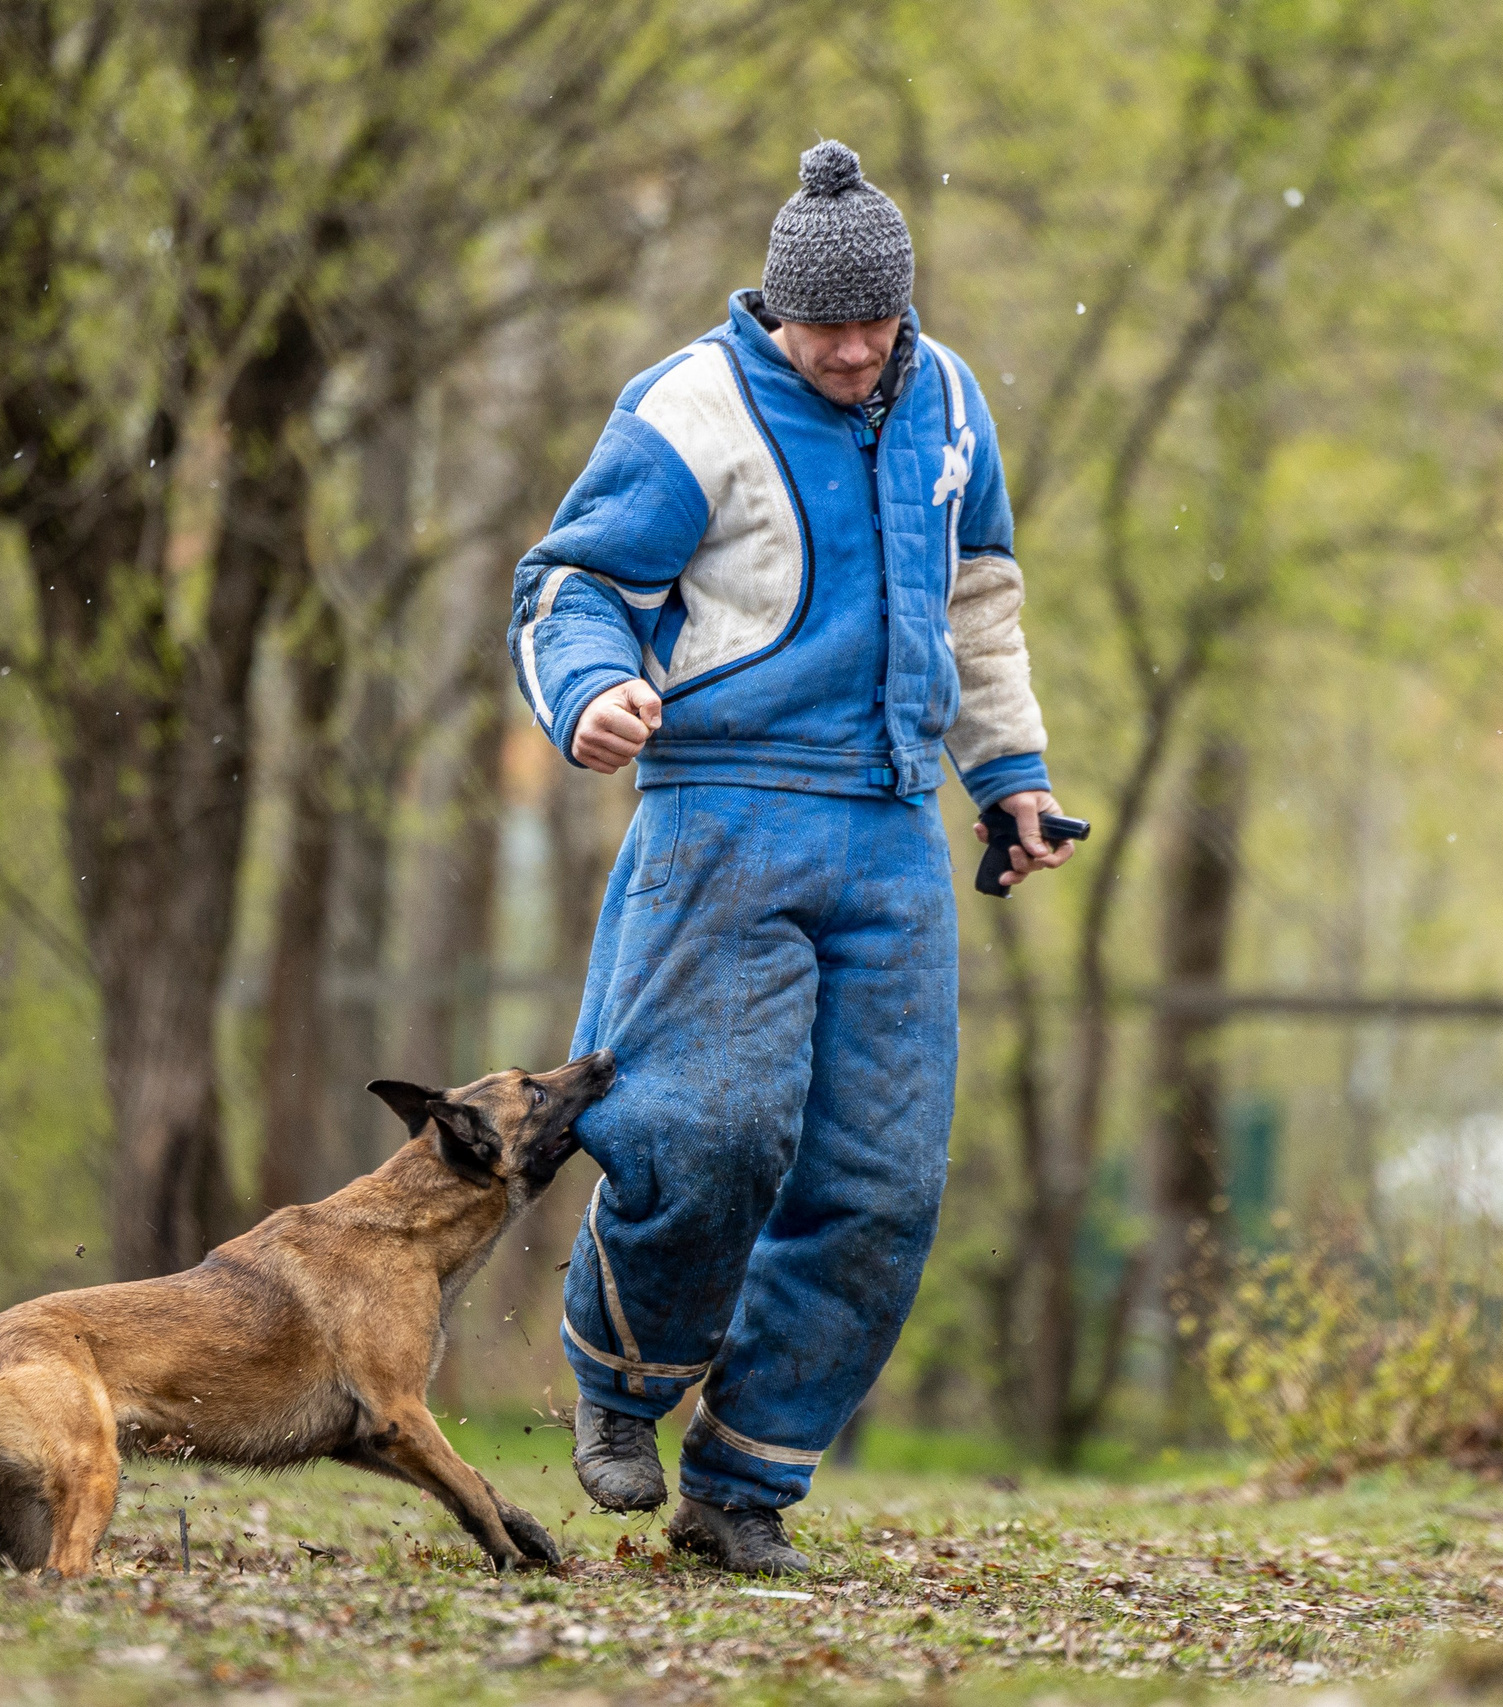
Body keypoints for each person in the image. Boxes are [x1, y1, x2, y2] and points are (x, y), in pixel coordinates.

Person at [505, 139, 1075, 1574]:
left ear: (903, 308)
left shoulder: (947, 404)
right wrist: (591, 693)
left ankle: (747, 1483)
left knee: (880, 1183)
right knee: (705, 1129)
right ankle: (623, 1381)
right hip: (725, 815)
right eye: (823, 324)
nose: (849, 348)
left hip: (891, 834)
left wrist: (1010, 779)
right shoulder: (689, 405)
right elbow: (571, 583)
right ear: (775, 305)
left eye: (873, 322)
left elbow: (981, 603)